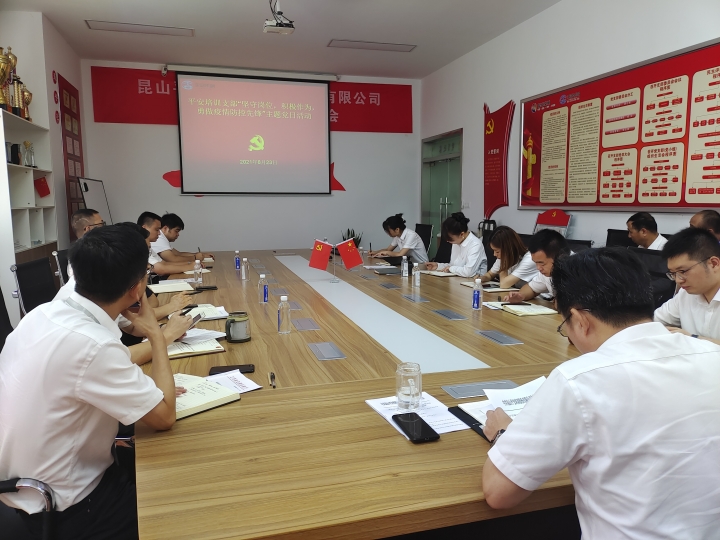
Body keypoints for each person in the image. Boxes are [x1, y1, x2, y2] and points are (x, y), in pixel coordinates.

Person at [481, 248, 720, 537]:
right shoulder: (712, 355)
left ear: (580, 320)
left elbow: (498, 493)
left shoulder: (580, 380)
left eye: (564, 326)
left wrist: (503, 433)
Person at [0, 225, 181, 540]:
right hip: (69, 508)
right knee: (184, 501)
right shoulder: (93, 344)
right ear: (138, 288)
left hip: (20, 486)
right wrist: (155, 332)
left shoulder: (42, 314)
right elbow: (164, 417)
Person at [654, 227, 720, 342]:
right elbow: (655, 320)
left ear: (713, 264)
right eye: (673, 273)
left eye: (683, 271)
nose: (678, 280)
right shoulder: (685, 294)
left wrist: (692, 338)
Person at [503, 229, 571, 303]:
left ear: (560, 258)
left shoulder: (577, 271)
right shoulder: (549, 271)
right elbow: (531, 288)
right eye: (536, 263)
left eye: (542, 263)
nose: (538, 268)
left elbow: (567, 305)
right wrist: (521, 296)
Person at [424, 212, 486, 277]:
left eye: (451, 239)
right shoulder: (457, 241)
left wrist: (451, 268)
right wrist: (438, 266)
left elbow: (468, 272)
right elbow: (454, 266)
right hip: (459, 279)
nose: (448, 241)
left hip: (473, 281)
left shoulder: (475, 244)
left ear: (461, 234)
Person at [137, 212, 200, 276]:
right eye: (157, 230)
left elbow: (164, 263)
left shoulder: (147, 245)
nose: (159, 233)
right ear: (144, 229)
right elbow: (161, 269)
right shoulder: (138, 246)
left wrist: (189, 263)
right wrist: (190, 266)